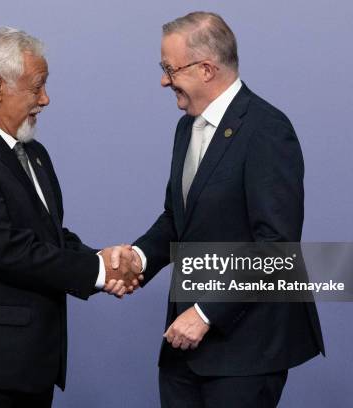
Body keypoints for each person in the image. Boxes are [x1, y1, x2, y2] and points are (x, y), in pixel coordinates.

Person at [110, 12, 325, 407]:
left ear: (206, 69)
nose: (163, 80)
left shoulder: (266, 129)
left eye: (168, 68)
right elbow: (178, 219)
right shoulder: (187, 127)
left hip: (245, 350)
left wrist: (206, 313)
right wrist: (138, 259)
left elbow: (276, 246)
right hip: (183, 350)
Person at [0, 27, 141, 408]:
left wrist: (102, 258)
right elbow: (7, 249)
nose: (46, 99)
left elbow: (48, 236)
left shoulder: (33, 153)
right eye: (37, 87)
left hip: (27, 368)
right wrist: (99, 272)